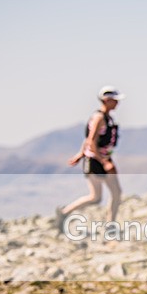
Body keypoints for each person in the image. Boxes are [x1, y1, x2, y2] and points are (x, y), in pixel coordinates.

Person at [56, 86, 124, 232]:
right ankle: (64, 213)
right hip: (96, 161)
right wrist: (103, 162)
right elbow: (91, 141)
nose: (117, 104)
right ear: (106, 100)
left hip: (103, 159)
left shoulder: (108, 118)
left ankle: (110, 225)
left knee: (115, 193)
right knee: (96, 197)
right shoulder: (99, 118)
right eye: (114, 100)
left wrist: (81, 154)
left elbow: (89, 139)